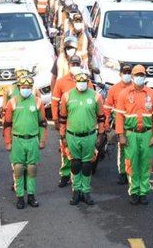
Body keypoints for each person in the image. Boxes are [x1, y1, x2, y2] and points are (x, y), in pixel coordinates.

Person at [115, 65, 153, 205]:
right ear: (133, 77)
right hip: (131, 135)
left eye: (142, 75)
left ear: (145, 77)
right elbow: (119, 117)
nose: (139, 77)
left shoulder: (152, 94)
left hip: (147, 134)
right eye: (137, 75)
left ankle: (143, 192)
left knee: (146, 164)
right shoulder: (124, 94)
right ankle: (134, 191)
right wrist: (121, 135)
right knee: (132, 163)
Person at [59, 72, 105, 205]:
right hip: (72, 136)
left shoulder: (96, 96)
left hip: (90, 136)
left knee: (87, 165)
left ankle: (86, 191)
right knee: (75, 164)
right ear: (75, 82)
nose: (82, 83)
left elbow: (101, 117)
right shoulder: (67, 96)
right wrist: (62, 136)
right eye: (79, 81)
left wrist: (101, 135)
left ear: (88, 81)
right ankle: (76, 191)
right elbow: (63, 118)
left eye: (84, 80)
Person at [3, 76, 47, 209]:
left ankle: (31, 196)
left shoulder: (38, 102)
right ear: (19, 88)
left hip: (33, 140)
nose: (26, 89)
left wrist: (42, 139)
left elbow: (42, 123)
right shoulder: (12, 102)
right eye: (23, 87)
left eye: (28, 87)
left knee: (32, 169)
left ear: (31, 88)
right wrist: (8, 142)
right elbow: (7, 124)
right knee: (18, 169)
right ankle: (20, 197)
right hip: (17, 140)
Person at [51, 55, 93, 187]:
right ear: (68, 65)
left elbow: (92, 101)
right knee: (66, 151)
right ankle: (65, 175)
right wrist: (56, 119)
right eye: (73, 63)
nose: (75, 66)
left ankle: (81, 181)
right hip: (67, 123)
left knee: (84, 157)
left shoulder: (86, 81)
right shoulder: (61, 81)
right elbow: (54, 102)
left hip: (83, 122)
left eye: (77, 63)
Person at [104, 64, 133, 185]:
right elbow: (107, 107)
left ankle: (131, 172)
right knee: (122, 148)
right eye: (124, 72)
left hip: (134, 125)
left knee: (132, 150)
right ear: (120, 74)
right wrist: (106, 122)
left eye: (129, 72)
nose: (127, 74)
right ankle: (122, 173)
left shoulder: (136, 88)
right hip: (119, 124)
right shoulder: (114, 89)